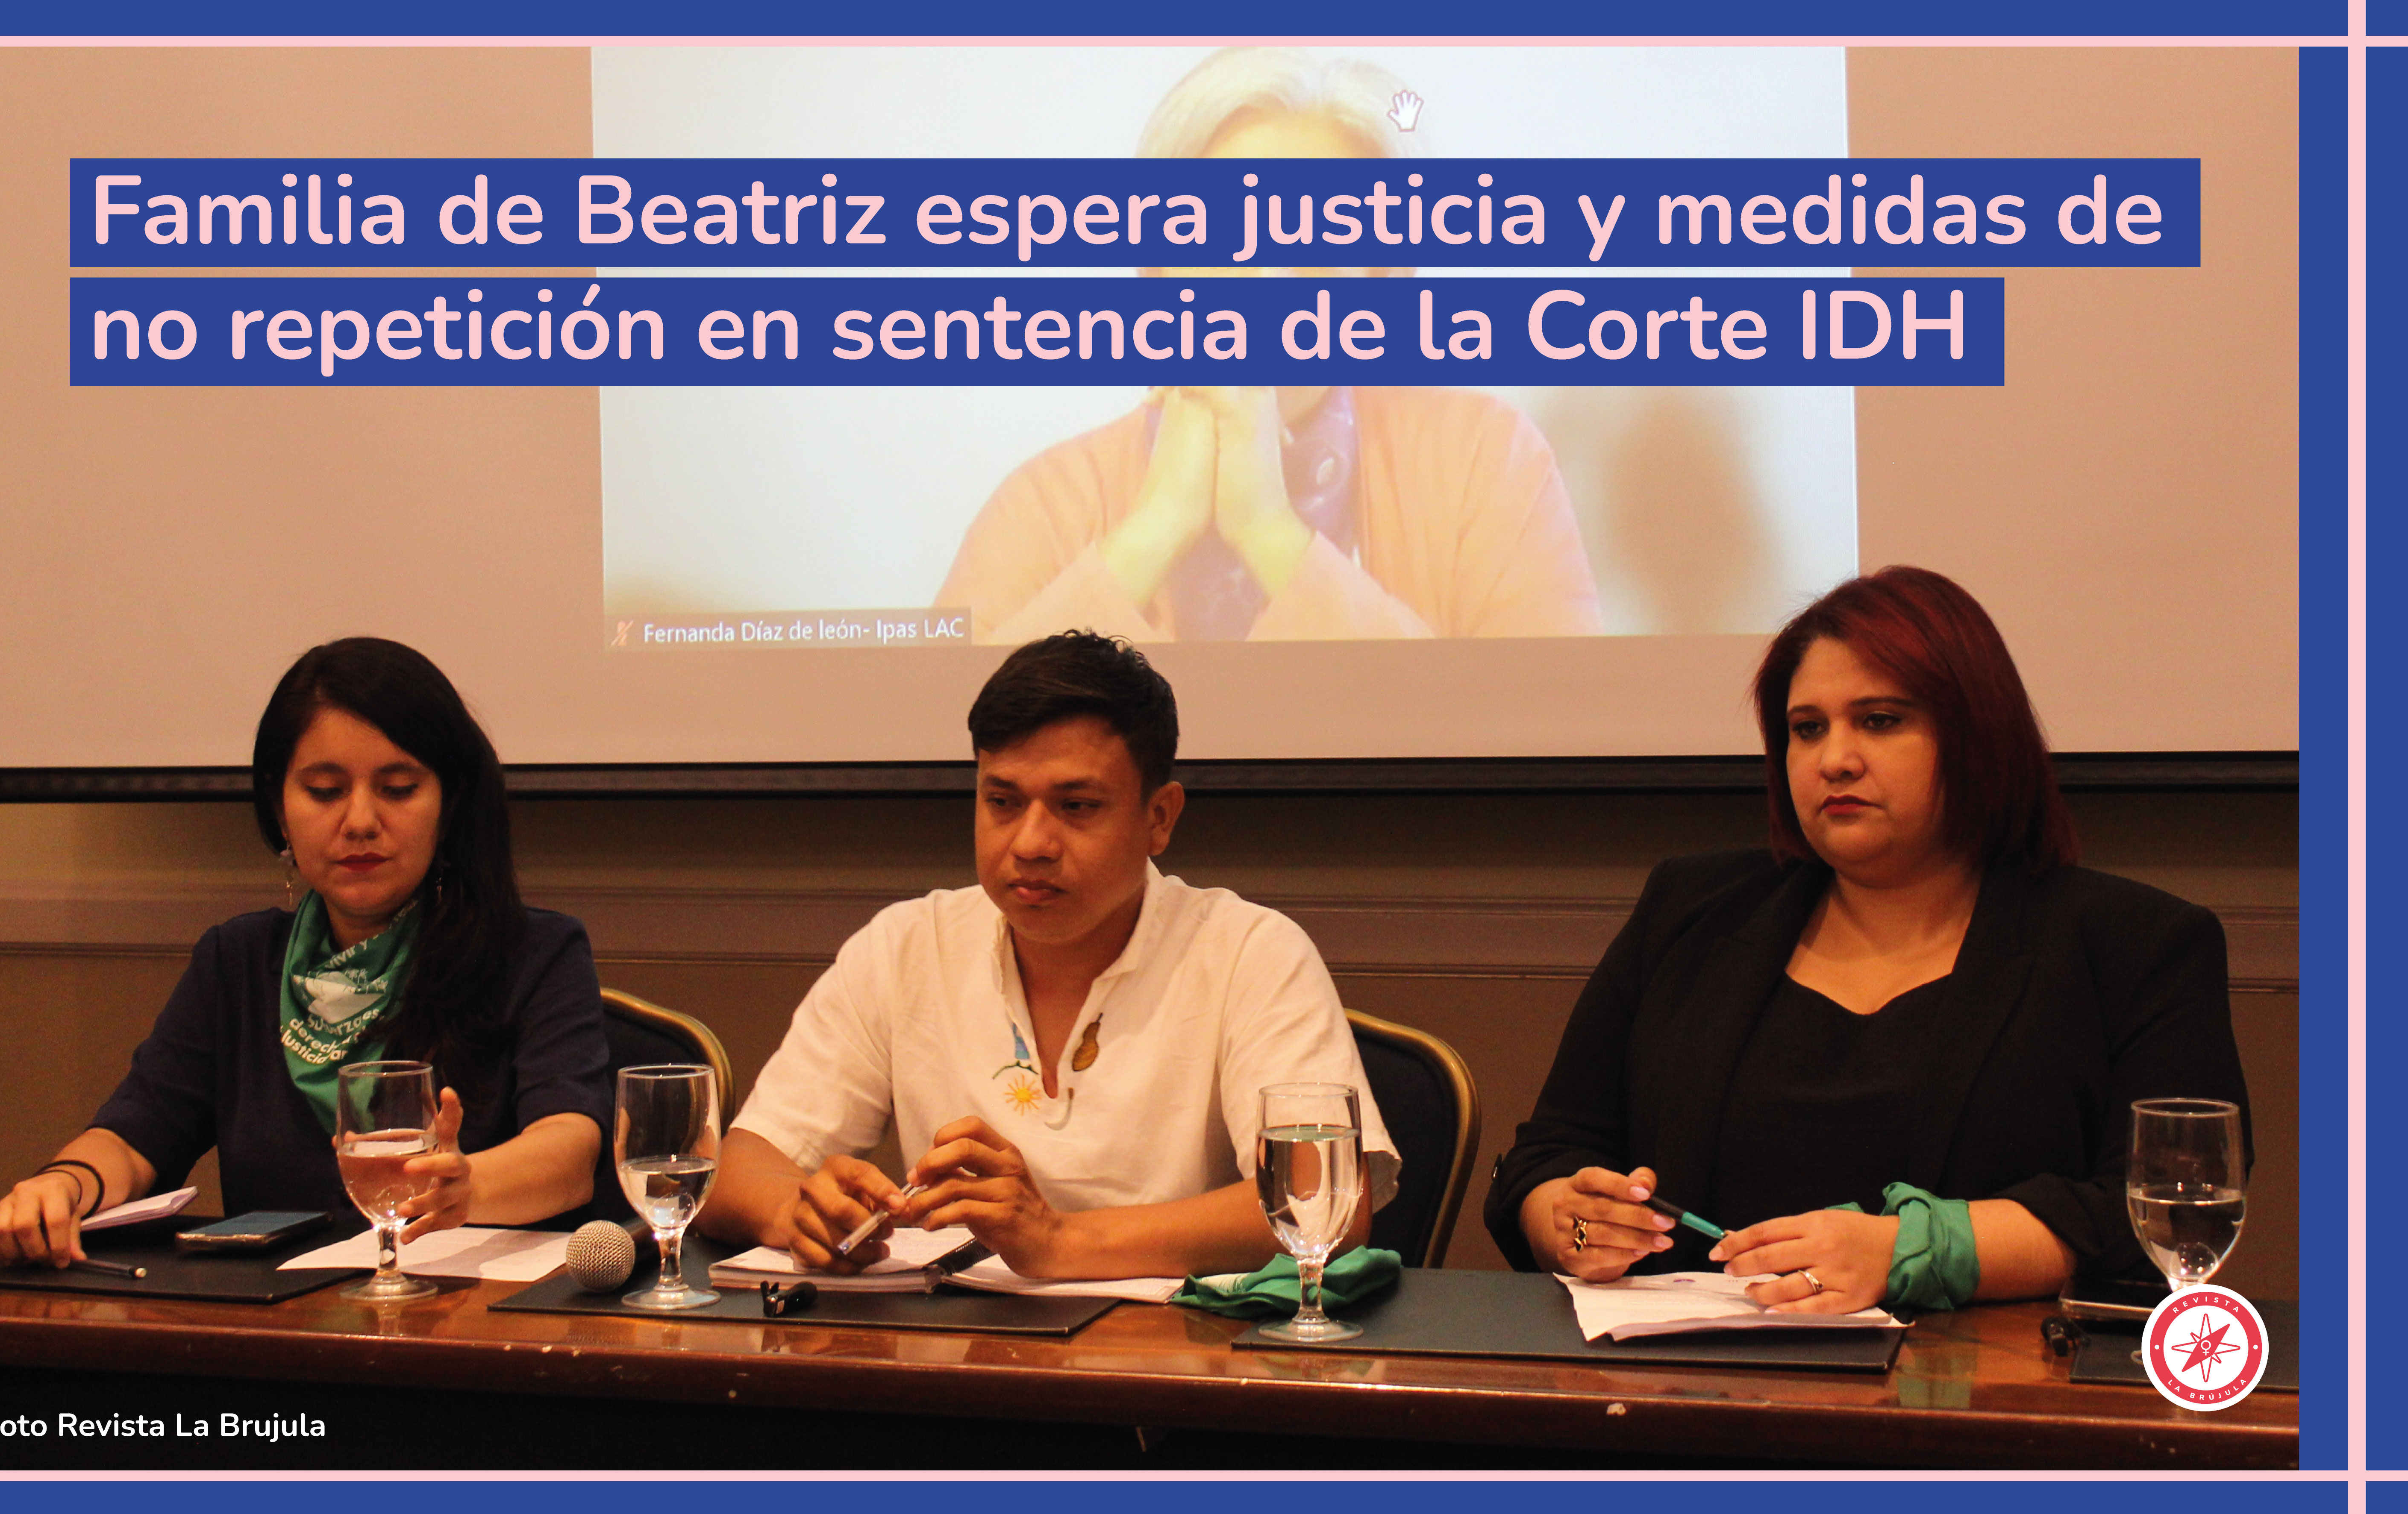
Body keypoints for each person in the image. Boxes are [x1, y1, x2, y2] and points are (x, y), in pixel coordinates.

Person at [1484, 566, 2250, 1313]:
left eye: (1880, 721)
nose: (1834, 760)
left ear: (1978, 737)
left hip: (1983, 1383)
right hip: (1686, 1376)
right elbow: (1548, 1158)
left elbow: (2173, 1214)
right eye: (1807, 729)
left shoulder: (2139, 946)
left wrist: (1915, 1251)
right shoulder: (1690, 911)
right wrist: (1575, 1225)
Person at [697, 630, 1397, 1278]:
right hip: (954, 1350)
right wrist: (802, 1212)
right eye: (1002, 802)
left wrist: (1060, 1242)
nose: (1030, 843)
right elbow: (740, 1166)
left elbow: (1322, 1200)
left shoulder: (1249, 952)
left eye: (1077, 807)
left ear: (1159, 818)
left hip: (1182, 1356)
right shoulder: (907, 946)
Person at [0, 638, 611, 1268]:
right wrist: (64, 1184)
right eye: (325, 791)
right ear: (280, 810)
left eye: (397, 789)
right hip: (279, 1316)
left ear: (448, 807)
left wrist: (466, 1186)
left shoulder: (534, 954)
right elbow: (135, 1135)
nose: (359, 821)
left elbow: (569, 1152)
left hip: (465, 1312)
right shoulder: (236, 962)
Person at [937, 48, 1601, 644]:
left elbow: (1551, 724)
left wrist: (1269, 533)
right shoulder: (1044, 503)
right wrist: (1156, 528)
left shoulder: (1486, 460)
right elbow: (942, 728)